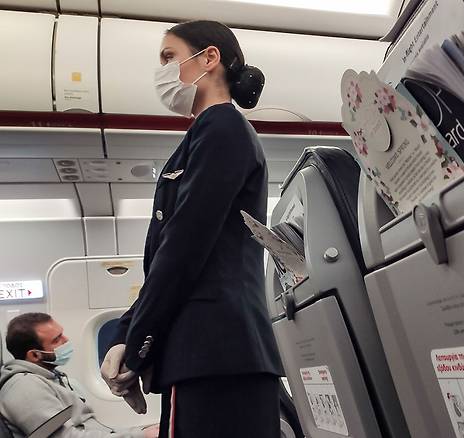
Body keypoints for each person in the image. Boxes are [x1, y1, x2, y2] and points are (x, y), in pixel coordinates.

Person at [100, 20, 284, 438]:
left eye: (169, 57)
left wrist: (136, 347)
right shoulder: (205, 135)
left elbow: (183, 248)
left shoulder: (223, 129)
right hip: (212, 356)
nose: (162, 71)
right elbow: (171, 257)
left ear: (209, 58)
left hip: (214, 352)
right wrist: (124, 335)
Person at [0, 313, 159, 438]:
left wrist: (141, 432)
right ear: (35, 355)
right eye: (57, 339)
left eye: (62, 334)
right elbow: (64, 437)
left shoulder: (53, 379)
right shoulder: (25, 388)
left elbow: (86, 427)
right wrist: (140, 436)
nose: (66, 340)